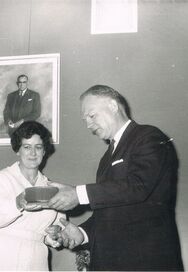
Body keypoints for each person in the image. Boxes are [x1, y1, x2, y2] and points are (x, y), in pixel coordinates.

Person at [46, 85, 184, 271]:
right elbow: (110, 211)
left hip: (146, 262)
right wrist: (82, 233)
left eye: (92, 115)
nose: (88, 124)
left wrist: (78, 194)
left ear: (112, 105)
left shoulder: (149, 137)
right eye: (85, 119)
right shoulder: (106, 157)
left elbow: (138, 187)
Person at [0, 121, 65, 271]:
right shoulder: (1, 178)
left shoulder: (52, 188)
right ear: (17, 150)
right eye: (27, 147)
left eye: (38, 147)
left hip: (36, 259)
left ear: (44, 151)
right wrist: (18, 202)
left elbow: (59, 228)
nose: (33, 153)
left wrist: (55, 234)